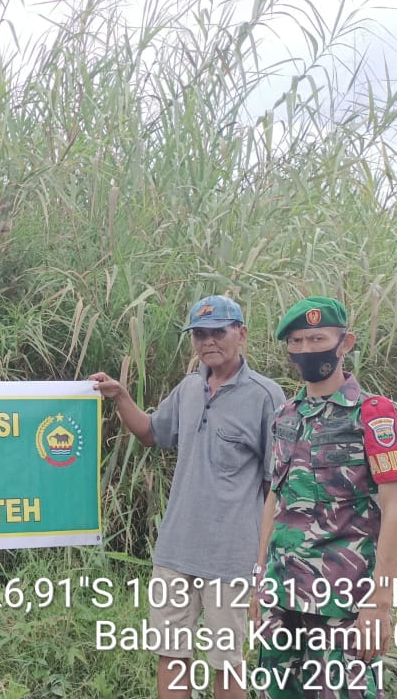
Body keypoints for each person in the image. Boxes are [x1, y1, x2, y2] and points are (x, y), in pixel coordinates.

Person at [91, 295, 285, 699]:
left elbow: (274, 487)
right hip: (175, 551)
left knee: (227, 661)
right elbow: (151, 434)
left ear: (242, 334)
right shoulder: (189, 387)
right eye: (200, 334)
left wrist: (264, 563)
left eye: (219, 332)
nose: (208, 341)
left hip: (231, 557)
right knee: (171, 654)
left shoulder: (266, 397)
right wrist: (121, 396)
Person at [252, 296, 397, 699]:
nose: (307, 349)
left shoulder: (374, 414)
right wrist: (258, 582)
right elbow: (275, 499)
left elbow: (394, 509)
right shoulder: (284, 416)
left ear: (345, 343)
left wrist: (380, 602)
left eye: (318, 338)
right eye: (297, 341)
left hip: (341, 598)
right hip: (281, 594)